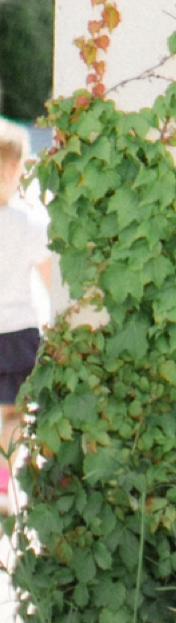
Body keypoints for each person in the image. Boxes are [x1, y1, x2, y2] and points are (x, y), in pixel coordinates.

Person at [0, 120, 60, 475]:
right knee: (14, 416)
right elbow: (52, 283)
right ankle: (3, 484)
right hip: (17, 337)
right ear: (10, 169)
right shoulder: (28, 223)